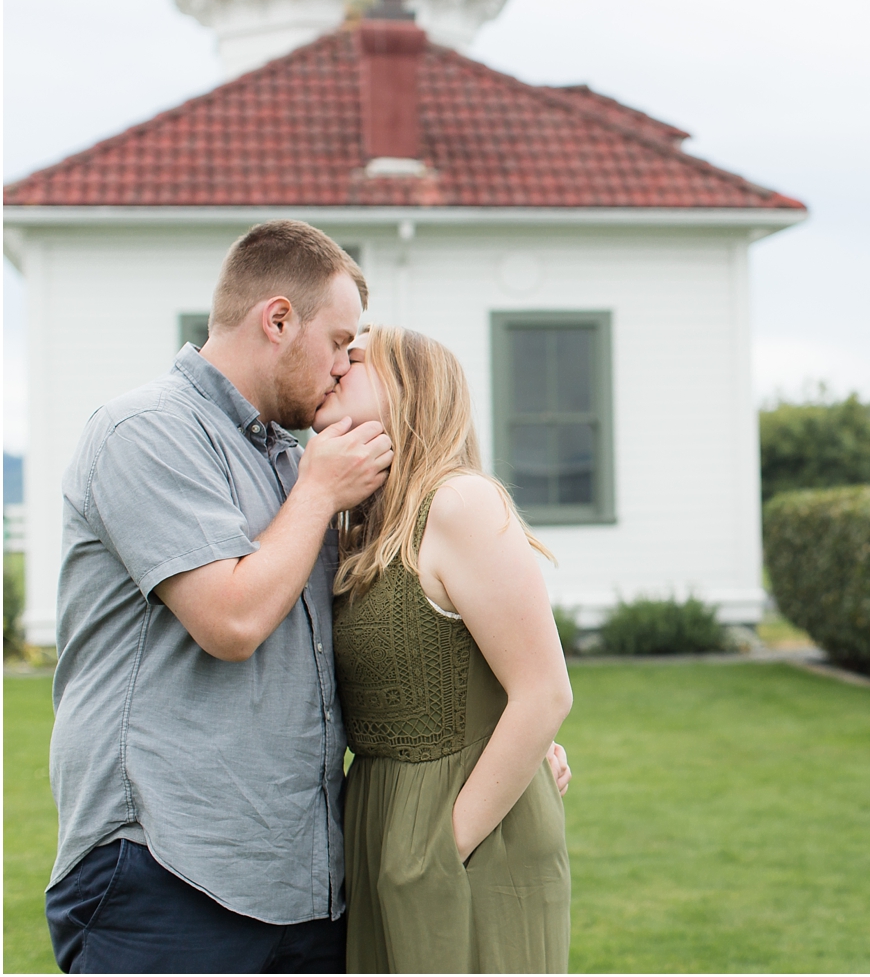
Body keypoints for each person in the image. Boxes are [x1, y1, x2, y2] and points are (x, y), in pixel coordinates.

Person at [46, 220, 393, 973]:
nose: (343, 367)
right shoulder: (144, 431)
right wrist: (320, 492)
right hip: (163, 874)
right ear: (277, 319)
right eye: (338, 341)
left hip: (302, 884)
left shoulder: (285, 458)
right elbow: (231, 620)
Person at [314, 324, 574, 974]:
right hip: (380, 816)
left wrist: (441, 845)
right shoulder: (362, 530)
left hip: (461, 832)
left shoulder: (459, 503)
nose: (335, 366)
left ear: (411, 389)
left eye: (355, 359)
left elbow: (544, 692)